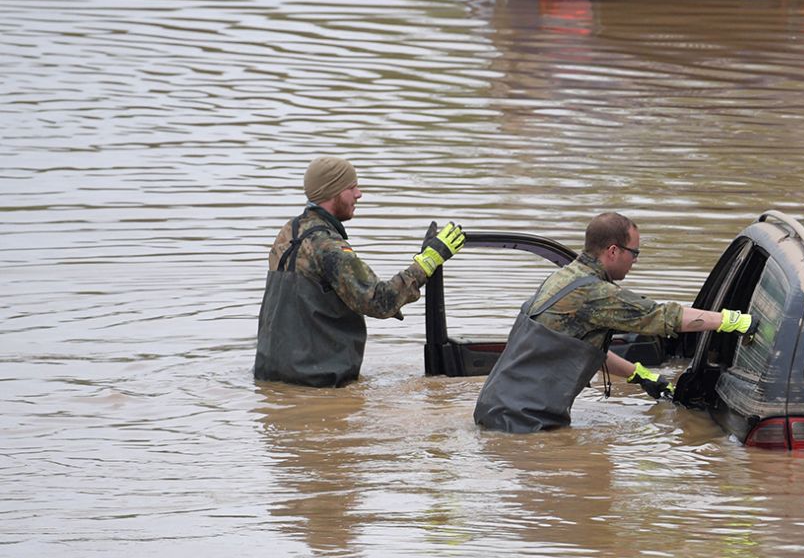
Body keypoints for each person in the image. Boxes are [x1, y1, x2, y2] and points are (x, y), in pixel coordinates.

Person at [474, 211, 754, 433]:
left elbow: (577, 348)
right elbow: (663, 315)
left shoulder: (566, 278)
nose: (635, 261)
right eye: (635, 253)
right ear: (612, 251)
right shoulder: (596, 294)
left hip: (495, 411)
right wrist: (731, 321)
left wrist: (639, 374)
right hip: (521, 425)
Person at [254, 155, 466, 387]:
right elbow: (379, 300)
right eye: (351, 187)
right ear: (333, 191)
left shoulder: (288, 233)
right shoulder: (328, 246)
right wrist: (428, 261)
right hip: (319, 385)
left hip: (270, 376)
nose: (359, 194)